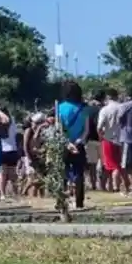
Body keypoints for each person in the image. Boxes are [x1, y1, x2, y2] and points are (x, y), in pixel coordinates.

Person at [55, 80, 91, 209]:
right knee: (79, 173)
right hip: (79, 144)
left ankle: (62, 201)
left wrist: (67, 143)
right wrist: (78, 141)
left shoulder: (59, 107)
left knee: (62, 173)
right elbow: (86, 130)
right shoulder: (84, 108)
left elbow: (58, 128)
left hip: (63, 144)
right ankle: (79, 202)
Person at [96, 88, 123, 193]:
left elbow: (99, 127)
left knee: (109, 165)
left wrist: (101, 136)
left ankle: (113, 187)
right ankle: (112, 186)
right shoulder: (122, 108)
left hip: (107, 139)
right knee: (117, 163)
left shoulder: (105, 110)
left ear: (108, 97)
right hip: (120, 139)